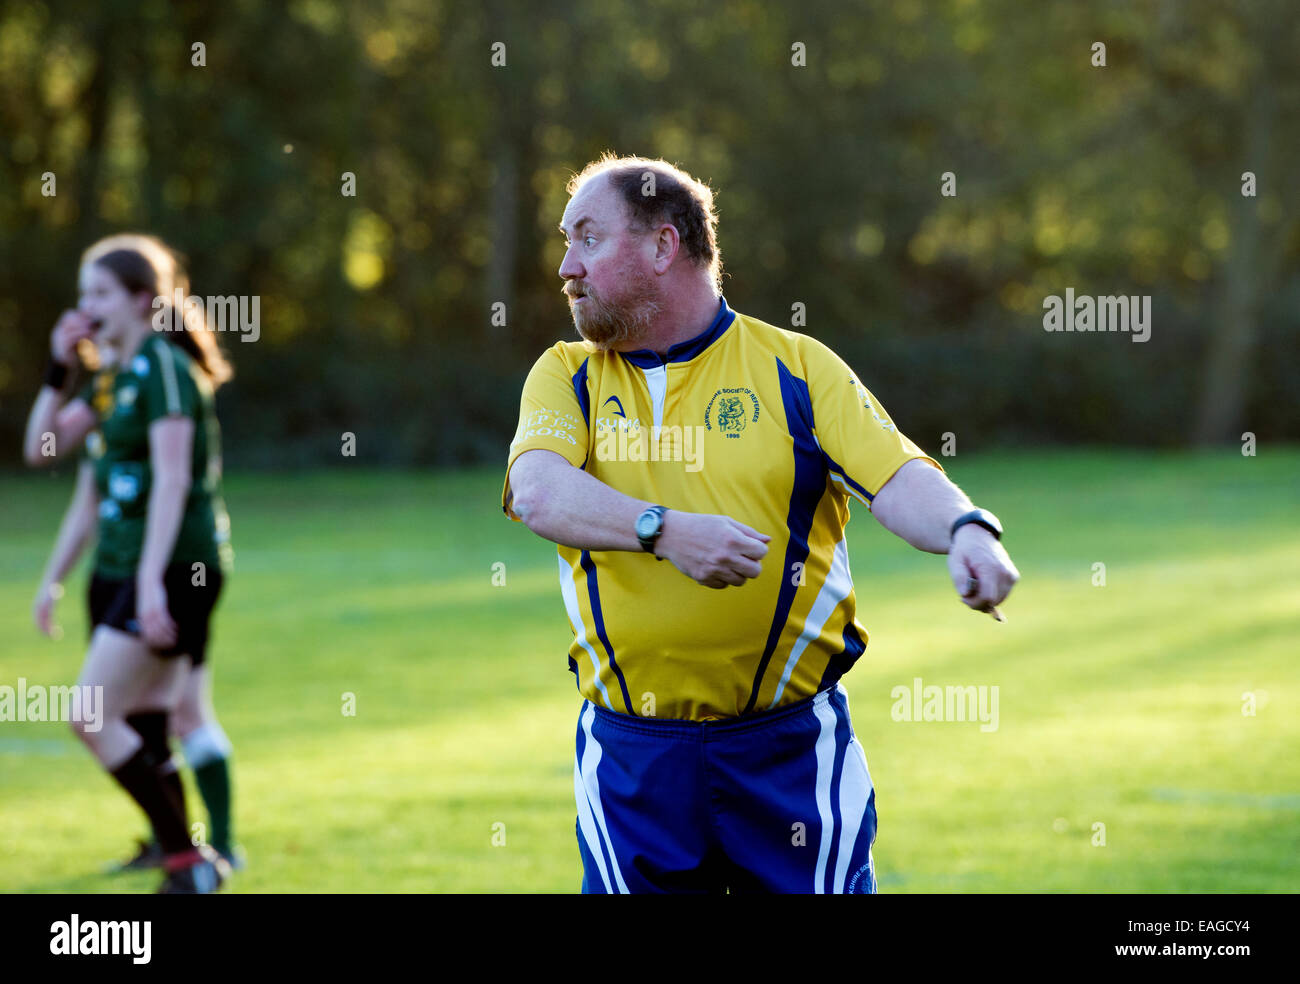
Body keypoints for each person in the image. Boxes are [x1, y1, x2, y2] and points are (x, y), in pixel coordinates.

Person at [502, 154, 1020, 893]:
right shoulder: (566, 375)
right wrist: (666, 530)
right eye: (565, 241)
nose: (565, 266)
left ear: (661, 246)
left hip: (790, 752)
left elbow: (898, 477)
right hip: (632, 759)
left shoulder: (798, 368)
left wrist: (969, 527)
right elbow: (539, 493)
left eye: (586, 238)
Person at [24, 233, 240, 892]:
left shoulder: (165, 368)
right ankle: (179, 857)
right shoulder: (114, 376)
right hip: (119, 569)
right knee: (145, 721)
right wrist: (60, 368)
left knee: (91, 715)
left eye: (99, 293)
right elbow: (43, 450)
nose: (84, 306)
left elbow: (175, 481)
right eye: (82, 293)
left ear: (142, 299)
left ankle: (191, 859)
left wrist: (150, 584)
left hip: (173, 568)